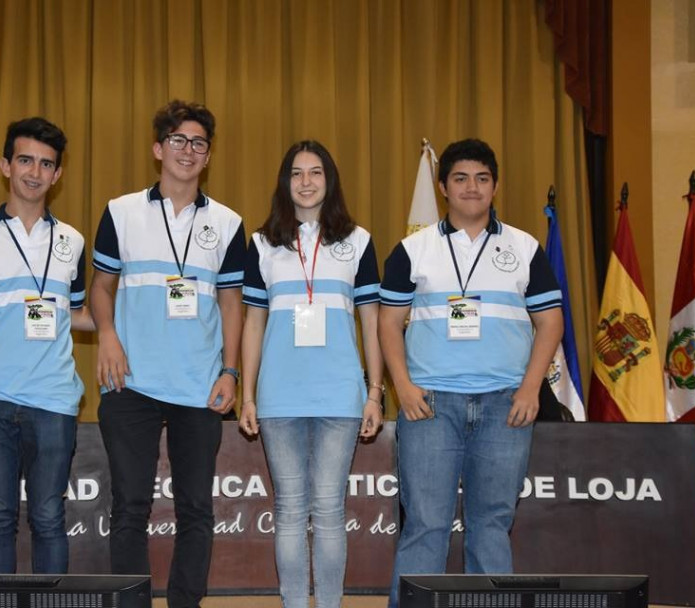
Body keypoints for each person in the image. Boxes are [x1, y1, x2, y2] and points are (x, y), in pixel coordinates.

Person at [379, 139, 564, 608]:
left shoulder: (524, 248)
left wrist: (529, 389)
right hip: (430, 405)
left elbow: (551, 322)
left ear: (495, 186)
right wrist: (401, 385)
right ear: (443, 187)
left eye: (482, 178)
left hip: (506, 404)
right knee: (425, 523)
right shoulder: (412, 250)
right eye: (460, 178)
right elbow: (387, 322)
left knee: (492, 522)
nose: (471, 187)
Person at [90, 99, 246, 608]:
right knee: (130, 506)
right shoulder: (121, 211)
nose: (188, 150)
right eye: (178, 140)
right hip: (129, 382)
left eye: (198, 143)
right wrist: (108, 335)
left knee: (196, 508)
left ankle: (185, 603)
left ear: (208, 156)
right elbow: (101, 287)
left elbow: (231, 303)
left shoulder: (227, 223)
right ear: (158, 149)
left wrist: (230, 370)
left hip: (199, 385)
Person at [0, 117, 94, 574]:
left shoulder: (72, 241)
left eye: (46, 164)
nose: (35, 172)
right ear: (5, 166)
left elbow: (79, 315)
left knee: (49, 517)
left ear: (58, 175)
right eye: (25, 160)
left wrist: (127, 311)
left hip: (53, 400)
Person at [240, 140, 384, 608]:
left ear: (330, 180)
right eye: (297, 173)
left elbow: (371, 320)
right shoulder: (262, 244)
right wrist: (247, 394)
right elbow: (253, 322)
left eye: (316, 172)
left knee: (327, 511)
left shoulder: (357, 242)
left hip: (341, 396)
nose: (306, 182)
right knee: (288, 510)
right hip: (279, 396)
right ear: (285, 182)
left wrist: (374, 393)